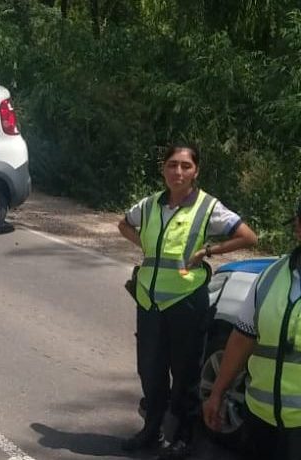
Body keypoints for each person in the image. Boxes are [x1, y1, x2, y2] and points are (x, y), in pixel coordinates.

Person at [117, 144, 258, 459]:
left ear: (196, 171)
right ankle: (151, 431)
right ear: (163, 169)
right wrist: (147, 246)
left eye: (185, 166)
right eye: (172, 165)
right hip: (150, 300)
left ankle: (183, 437)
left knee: (185, 374)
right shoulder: (151, 204)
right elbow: (123, 224)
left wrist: (207, 252)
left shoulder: (208, 206)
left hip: (186, 301)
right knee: (150, 371)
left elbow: (249, 236)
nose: (177, 172)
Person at [202, 200, 301, 460]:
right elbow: (241, 338)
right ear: (297, 227)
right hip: (260, 422)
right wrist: (217, 392)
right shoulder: (271, 276)